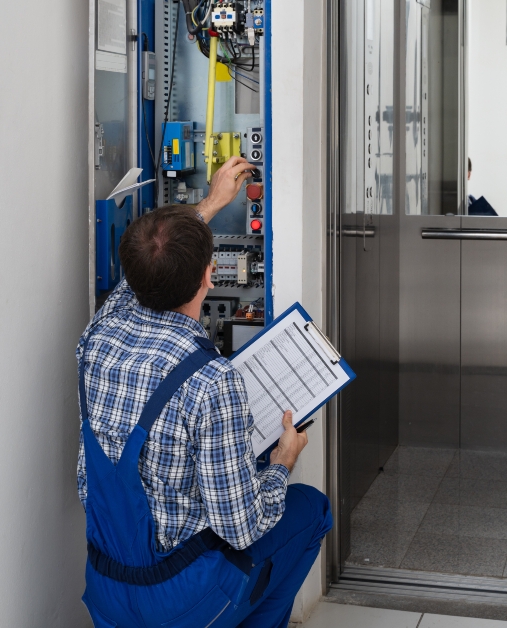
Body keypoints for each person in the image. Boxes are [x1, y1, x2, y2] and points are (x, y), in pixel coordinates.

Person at [77, 156, 332, 628]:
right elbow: (241, 527)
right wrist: (281, 465)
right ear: (209, 278)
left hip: (108, 585)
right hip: (178, 598)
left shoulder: (97, 336)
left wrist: (209, 205)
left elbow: (138, 279)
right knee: (311, 509)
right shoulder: (212, 382)